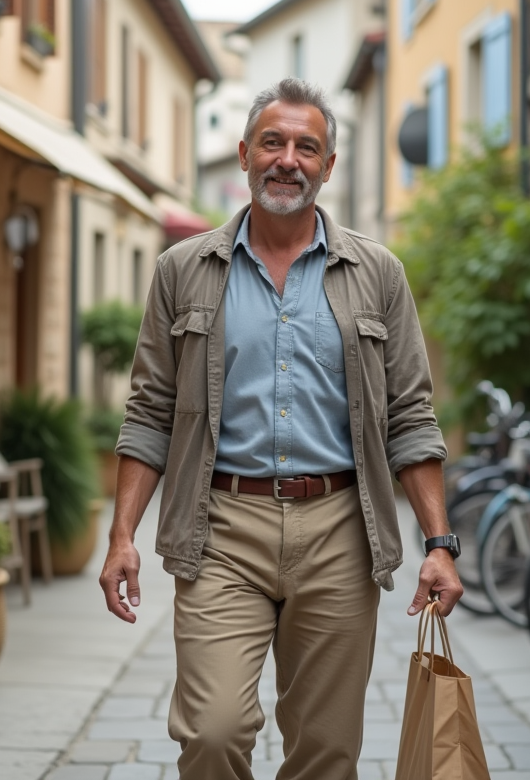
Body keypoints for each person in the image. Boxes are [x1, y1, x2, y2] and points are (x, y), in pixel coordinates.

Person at [98, 78, 463, 780]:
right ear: (243, 154)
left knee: (326, 751)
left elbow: (411, 416)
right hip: (220, 528)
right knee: (211, 732)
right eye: (273, 142)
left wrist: (439, 544)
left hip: (339, 531)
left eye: (306, 146)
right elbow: (148, 411)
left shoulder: (378, 273)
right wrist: (122, 538)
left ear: (328, 166)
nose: (287, 159)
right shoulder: (184, 270)